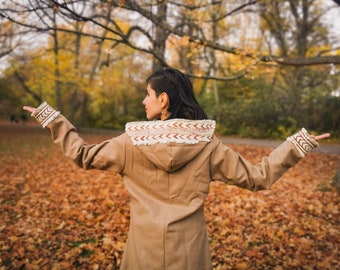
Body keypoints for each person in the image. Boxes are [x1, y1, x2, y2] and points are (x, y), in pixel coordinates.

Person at [23, 67, 330, 270]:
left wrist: (53, 119)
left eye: (148, 94)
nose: (144, 101)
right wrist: (296, 144)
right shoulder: (207, 144)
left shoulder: (131, 143)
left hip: (143, 253)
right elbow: (257, 177)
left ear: (163, 98)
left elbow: (82, 155)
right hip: (189, 254)